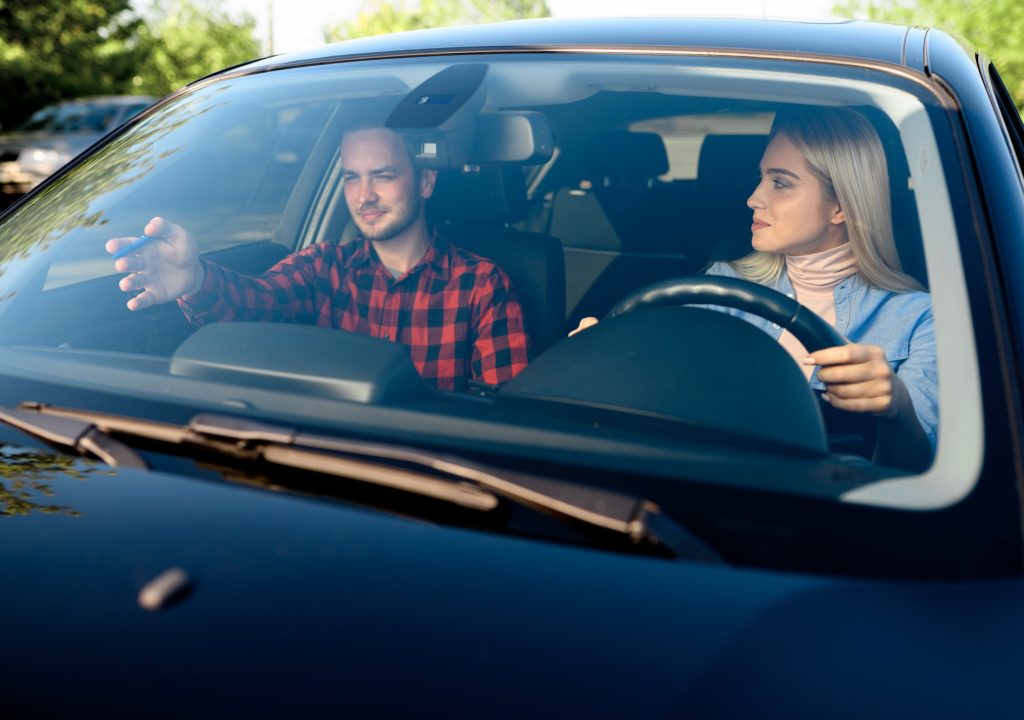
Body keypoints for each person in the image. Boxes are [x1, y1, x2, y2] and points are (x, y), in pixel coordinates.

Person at [575, 108, 936, 471]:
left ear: (839, 207)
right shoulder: (716, 285)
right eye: (760, 178)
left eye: (780, 183)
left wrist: (899, 409)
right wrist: (610, 360)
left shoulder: (920, 318)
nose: (753, 198)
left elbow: (922, 470)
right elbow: (663, 392)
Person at [106, 126, 531, 393]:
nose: (363, 196)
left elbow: (503, 414)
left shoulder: (482, 285)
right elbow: (255, 301)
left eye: (383, 175)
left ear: (425, 182)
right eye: (351, 178)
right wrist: (195, 279)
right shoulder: (323, 267)